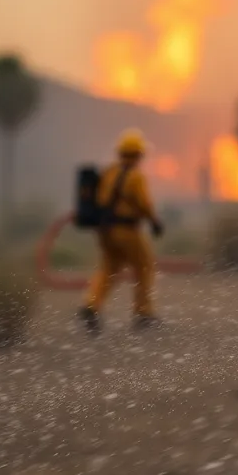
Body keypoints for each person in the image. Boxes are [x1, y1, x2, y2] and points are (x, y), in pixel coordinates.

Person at [77, 129, 164, 334]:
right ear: (138, 154)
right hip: (127, 231)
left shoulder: (109, 172)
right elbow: (144, 204)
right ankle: (143, 313)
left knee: (108, 269)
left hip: (105, 231)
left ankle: (91, 305)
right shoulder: (135, 177)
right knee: (144, 267)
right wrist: (154, 222)